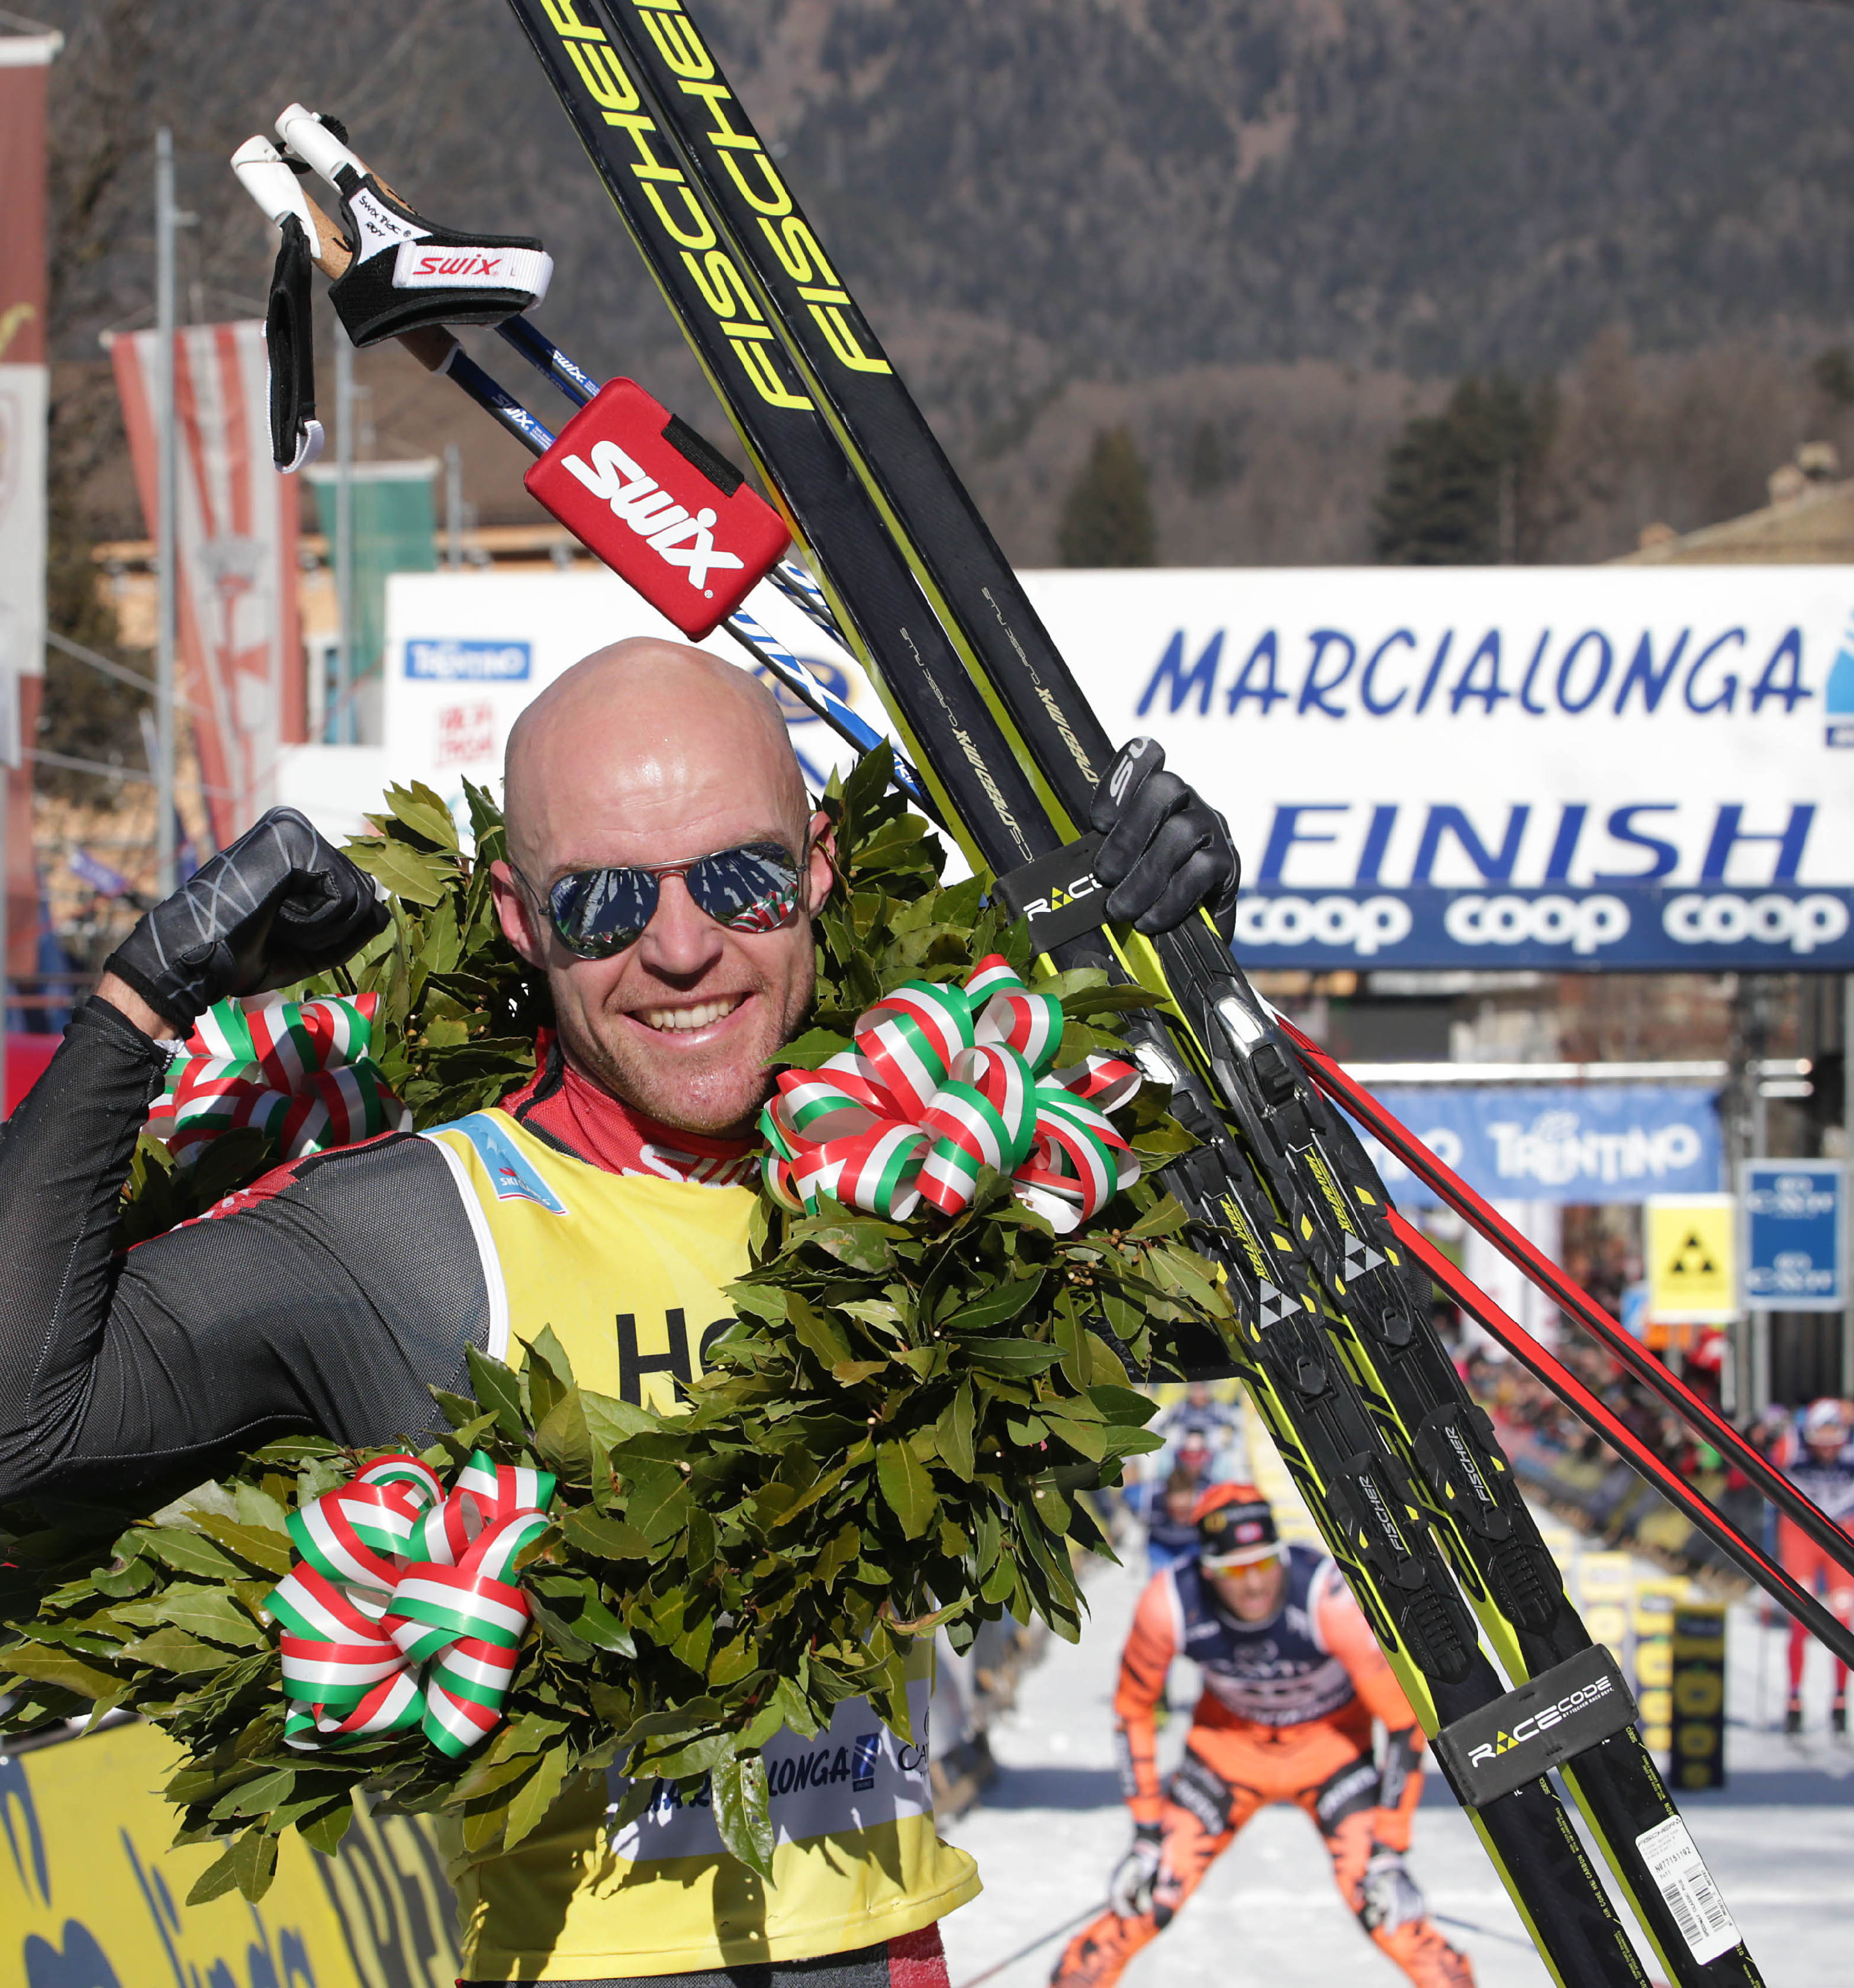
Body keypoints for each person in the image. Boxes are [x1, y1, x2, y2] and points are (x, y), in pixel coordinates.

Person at [0, 640, 1240, 1988]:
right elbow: (22, 1422)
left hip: (887, 1954)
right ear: (519, 914)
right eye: (603, 901)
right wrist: (137, 1000)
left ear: (818, 864)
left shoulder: (922, 1154)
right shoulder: (411, 1226)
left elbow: (1205, 1302)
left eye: (741, 877)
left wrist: (1166, 973)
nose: (684, 945)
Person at [1051, 1486, 1475, 1988]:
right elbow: (1132, 1712)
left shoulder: (1327, 1596)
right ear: (1207, 1568)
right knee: (1149, 1898)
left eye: (1265, 1563)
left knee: (1389, 1912)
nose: (1253, 1584)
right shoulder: (1169, 1602)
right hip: (1227, 1758)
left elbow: (1404, 1722)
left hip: (1332, 1755)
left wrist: (1391, 1847)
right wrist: (1145, 1834)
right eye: (1233, 1570)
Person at [1772, 1397, 1854, 1736]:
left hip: (1842, 1537)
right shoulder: (1793, 1443)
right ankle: (1794, 1697)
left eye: (1833, 1444)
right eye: (1819, 1444)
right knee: (1802, 1619)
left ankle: (1841, 1700)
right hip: (1799, 1532)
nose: (1827, 1452)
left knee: (1843, 1622)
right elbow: (1761, 1464)